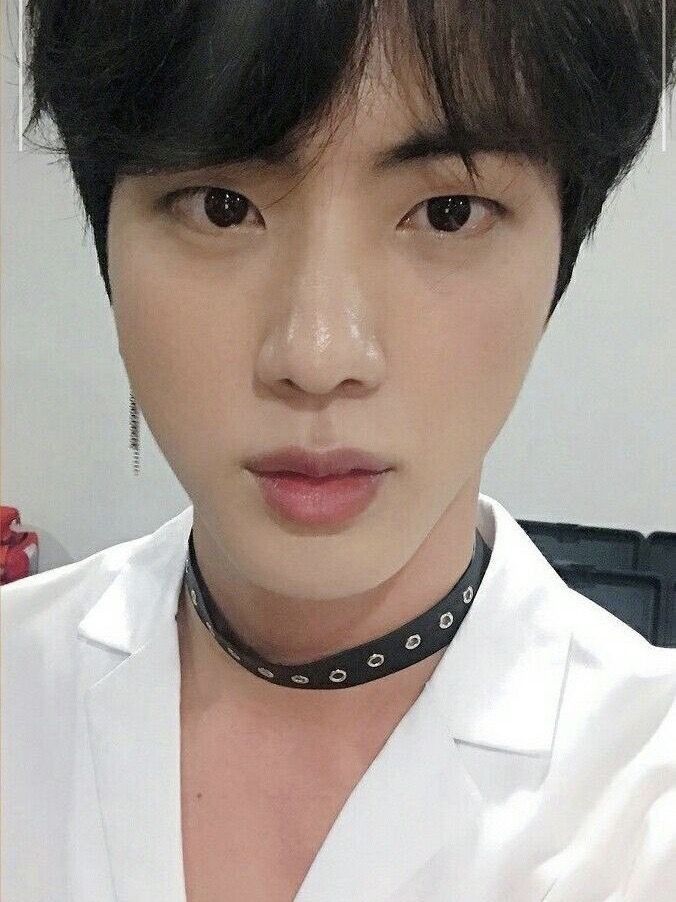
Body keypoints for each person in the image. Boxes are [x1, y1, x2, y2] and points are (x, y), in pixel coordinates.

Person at [2, 1, 675, 900]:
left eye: (446, 213)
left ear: (559, 248)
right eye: (221, 207)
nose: (318, 356)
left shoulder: (645, 799)